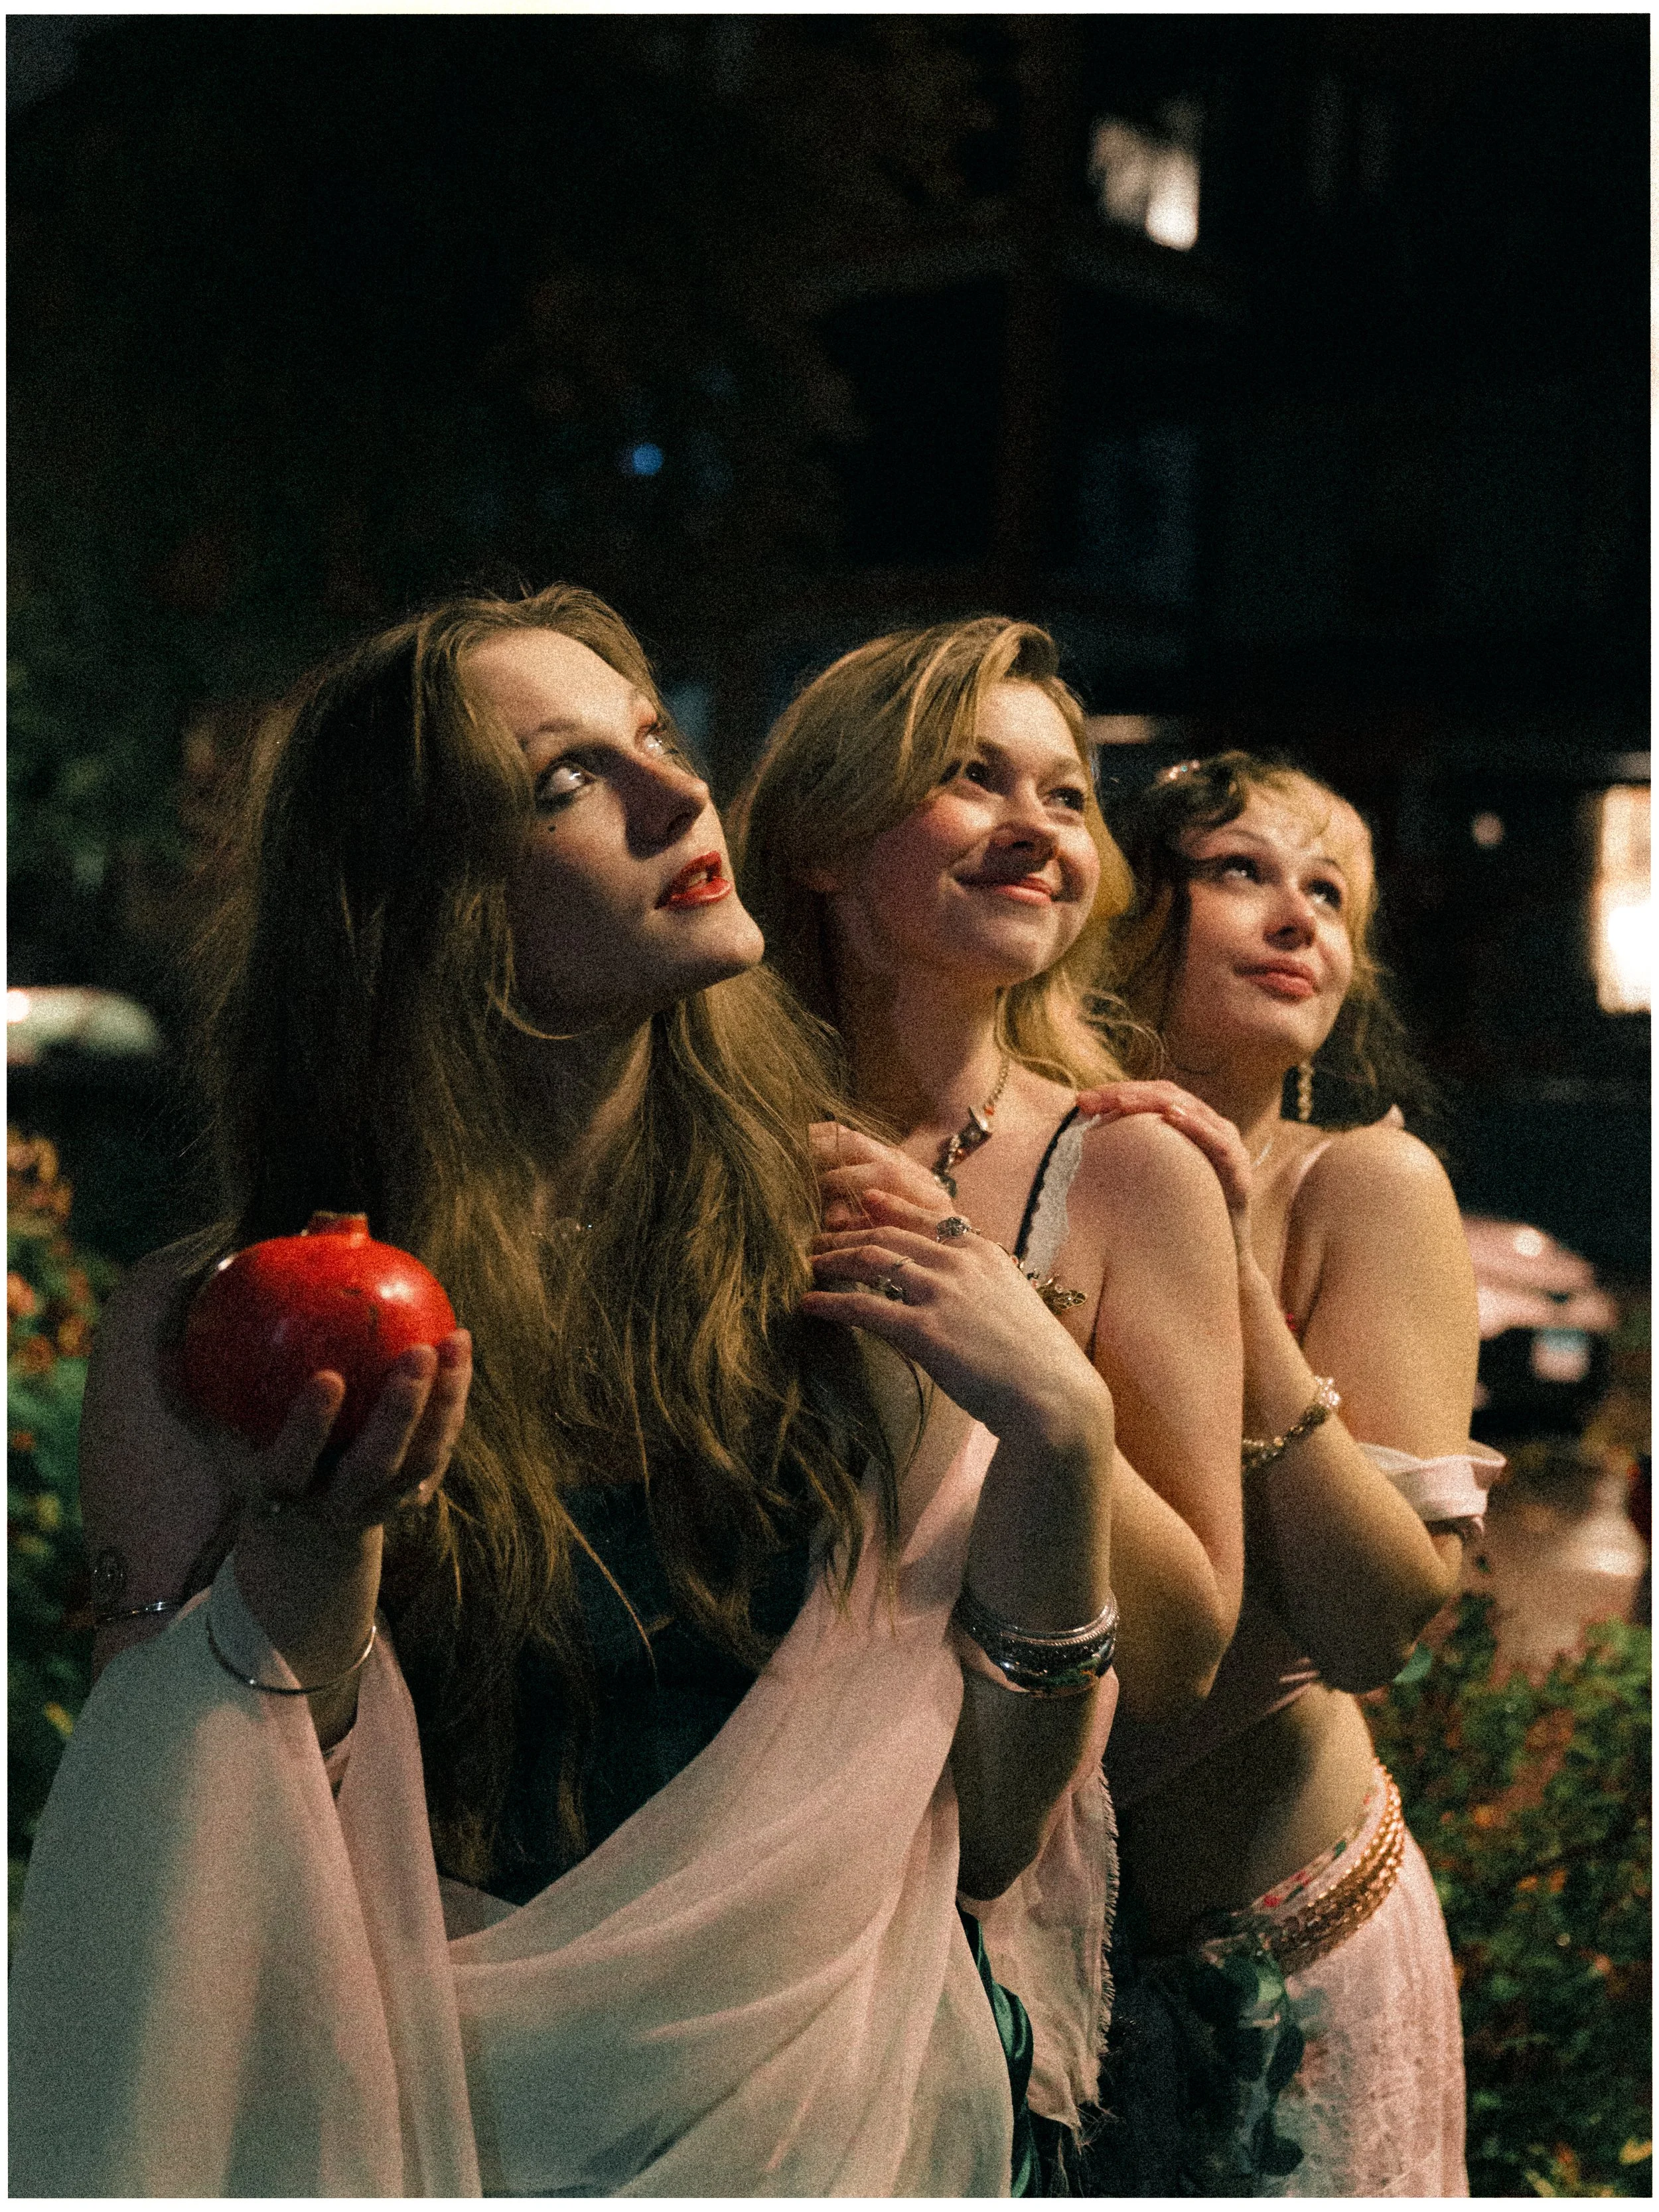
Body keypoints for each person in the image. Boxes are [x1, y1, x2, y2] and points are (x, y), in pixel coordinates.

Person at [9, 587, 1121, 2197]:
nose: (678, 798)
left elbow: (997, 1831)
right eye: (565, 780)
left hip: (810, 2135)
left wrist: (1064, 1435)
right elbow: (191, 1884)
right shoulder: (227, 1329)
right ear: (421, 901)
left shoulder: (851, 1244)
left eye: (656, 741)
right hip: (399, 2126)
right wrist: (310, 1568)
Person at [730, 619, 1246, 2175]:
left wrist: (1024, 1360)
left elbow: (1178, 1649)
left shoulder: (1129, 1167)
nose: (1039, 827)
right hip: (673, 1841)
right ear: (820, 840)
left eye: (1070, 794)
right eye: (972, 778)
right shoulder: (703, 1123)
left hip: (954, 1910)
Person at [1074, 750, 1499, 2196]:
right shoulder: (1018, 1164)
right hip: (1032, 1961)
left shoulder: (1360, 1188)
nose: (1297, 917)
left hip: (1293, 1942)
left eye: (1330, 893)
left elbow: (1376, 1621)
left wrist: (1230, 1280)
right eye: (1241, 870)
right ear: (1125, 908)